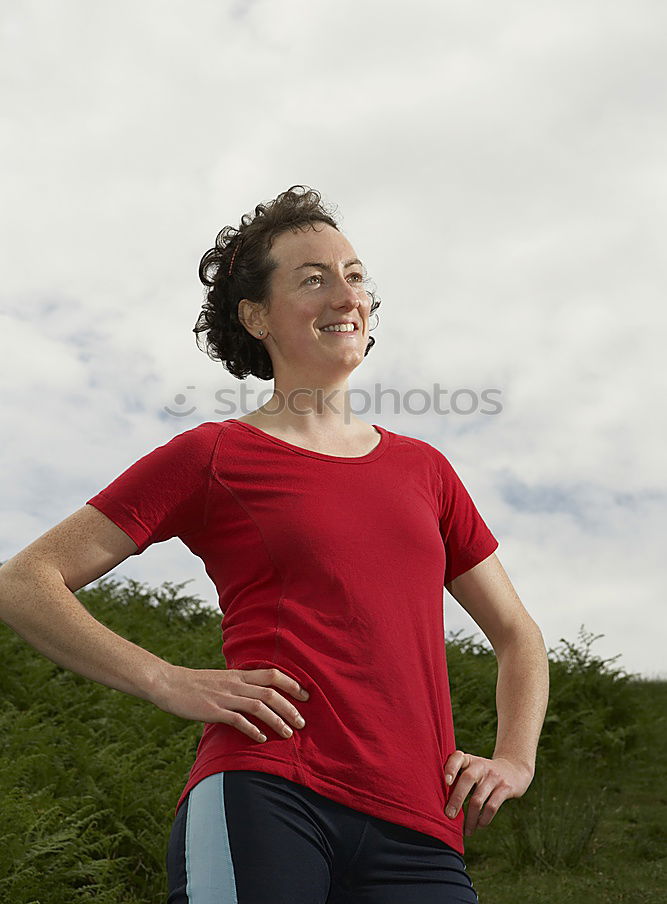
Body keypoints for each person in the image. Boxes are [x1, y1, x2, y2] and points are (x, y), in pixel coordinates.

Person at [0, 185, 550, 903]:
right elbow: (24, 580)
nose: (344, 294)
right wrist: (164, 679)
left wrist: (514, 759)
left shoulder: (426, 471)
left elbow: (517, 636)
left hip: (422, 824)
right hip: (268, 792)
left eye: (354, 276)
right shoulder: (212, 455)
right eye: (313, 278)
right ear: (256, 316)